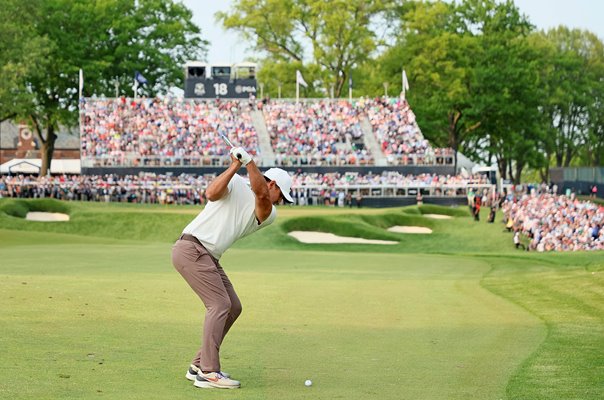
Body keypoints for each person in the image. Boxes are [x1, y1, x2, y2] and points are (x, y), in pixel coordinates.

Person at [171, 146, 293, 390]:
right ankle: (208, 372)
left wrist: (249, 163)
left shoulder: (269, 212)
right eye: (282, 195)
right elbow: (211, 193)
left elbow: (260, 196)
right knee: (219, 304)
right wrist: (235, 165)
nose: (282, 201)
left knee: (232, 307)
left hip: (208, 255)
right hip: (192, 248)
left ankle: (198, 365)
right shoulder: (236, 182)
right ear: (274, 185)